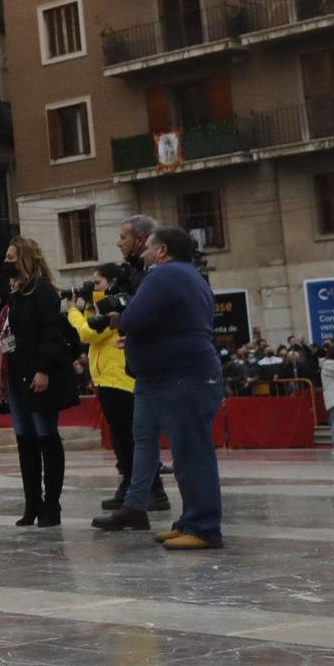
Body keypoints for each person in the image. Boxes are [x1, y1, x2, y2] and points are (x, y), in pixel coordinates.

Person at [95, 226, 225, 549]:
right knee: (184, 453)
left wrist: (119, 319)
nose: (142, 253)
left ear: (163, 250)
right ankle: (188, 521)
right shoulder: (188, 275)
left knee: (193, 454)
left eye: (148, 248)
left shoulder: (163, 275)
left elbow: (133, 316)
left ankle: (204, 527)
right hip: (179, 375)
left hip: (183, 377)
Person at [0, 237, 79, 527]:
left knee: (46, 436)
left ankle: (51, 505)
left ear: (24, 258)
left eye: (11, 256)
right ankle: (32, 504)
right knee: (25, 439)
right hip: (15, 373)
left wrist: (43, 369)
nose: (7, 261)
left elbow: (50, 332)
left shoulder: (41, 290)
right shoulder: (13, 293)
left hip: (38, 372)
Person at [71, 265, 167, 514]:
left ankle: (154, 491)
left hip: (119, 380)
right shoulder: (98, 306)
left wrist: (73, 312)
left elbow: (88, 333)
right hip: (106, 380)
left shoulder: (113, 306)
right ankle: (128, 488)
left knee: (130, 440)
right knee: (121, 441)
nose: (93, 288)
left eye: (98, 283)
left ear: (112, 283)